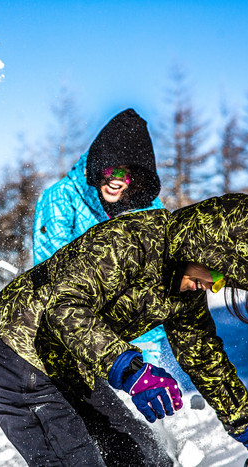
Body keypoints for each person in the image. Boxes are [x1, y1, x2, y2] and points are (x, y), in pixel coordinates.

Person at [0, 193, 248, 467]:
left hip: (72, 362)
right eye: (218, 274)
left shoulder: (187, 287)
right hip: (16, 355)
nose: (214, 288)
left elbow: (204, 356)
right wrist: (128, 369)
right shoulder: (130, 242)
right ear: (200, 246)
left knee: (146, 459)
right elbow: (65, 306)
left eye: (224, 283)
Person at [33, 108, 165, 365]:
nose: (117, 181)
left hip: (142, 336)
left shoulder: (148, 207)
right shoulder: (61, 198)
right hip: (84, 332)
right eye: (110, 171)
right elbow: (51, 273)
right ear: (97, 167)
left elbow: (156, 273)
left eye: (126, 174)